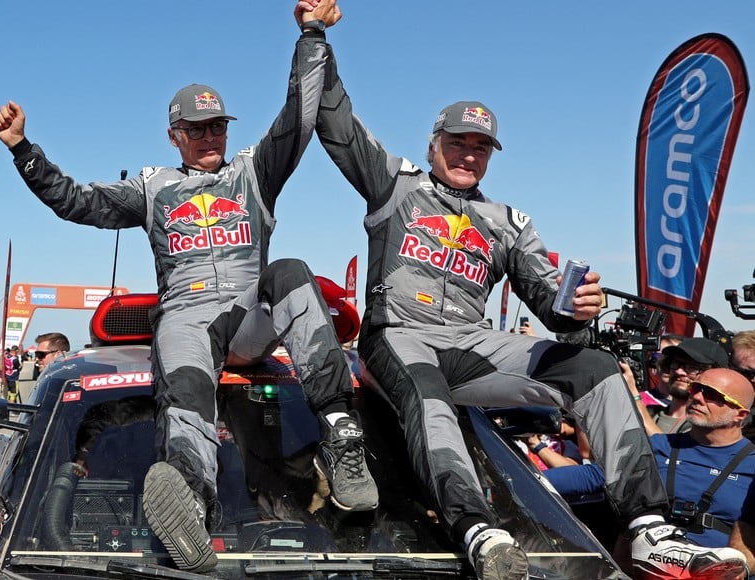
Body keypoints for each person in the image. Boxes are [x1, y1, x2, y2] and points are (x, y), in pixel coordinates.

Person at [312, 32, 747, 580]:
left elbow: (550, 304)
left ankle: (649, 530)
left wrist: (578, 308)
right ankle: (475, 526)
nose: (468, 154)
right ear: (433, 144)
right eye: (457, 142)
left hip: (470, 347)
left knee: (595, 367)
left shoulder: (508, 222)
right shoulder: (395, 186)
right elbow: (335, 122)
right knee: (427, 393)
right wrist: (314, 38)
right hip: (398, 337)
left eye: (480, 147)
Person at [0, 1, 376, 572]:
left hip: (250, 317)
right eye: (196, 129)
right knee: (188, 389)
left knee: (293, 272)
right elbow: (76, 202)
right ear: (174, 135)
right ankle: (190, 500)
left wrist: (312, 34)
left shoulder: (253, 173)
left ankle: (342, 438)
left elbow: (298, 117)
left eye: (217, 125)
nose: (208, 136)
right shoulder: (152, 188)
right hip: (187, 316)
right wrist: (25, 151)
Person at [650, 367, 755, 549]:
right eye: (695, 388)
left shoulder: (751, 463)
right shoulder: (658, 445)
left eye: (712, 395)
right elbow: (596, 476)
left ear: (740, 415)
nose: (697, 397)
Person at [626, 337, 728, 437]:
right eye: (676, 363)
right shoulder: (652, 412)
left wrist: (635, 396)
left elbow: (664, 450)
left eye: (692, 367)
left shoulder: (708, 426)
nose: (679, 371)